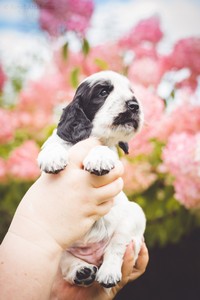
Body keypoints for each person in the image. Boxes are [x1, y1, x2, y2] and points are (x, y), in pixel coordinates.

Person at [0, 138, 149, 300]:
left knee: (133, 215)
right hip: (70, 254)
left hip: (103, 246)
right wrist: (39, 231)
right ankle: (74, 266)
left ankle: (84, 264)